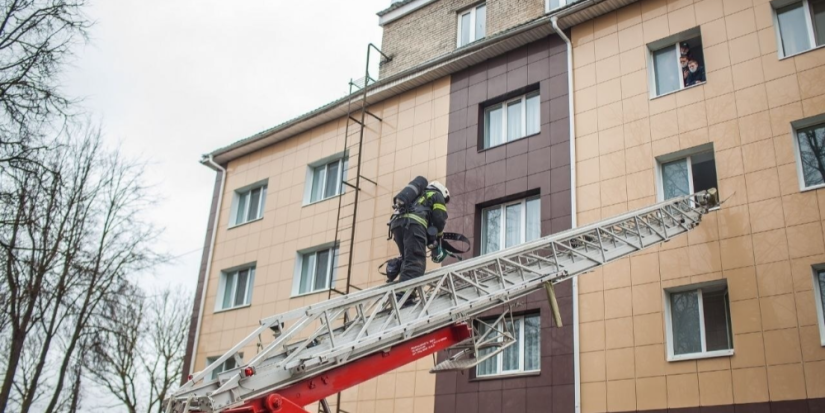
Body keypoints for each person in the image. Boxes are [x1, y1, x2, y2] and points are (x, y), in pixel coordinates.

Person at [389, 180, 449, 297]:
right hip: (413, 224)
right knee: (416, 262)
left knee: (408, 259)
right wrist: (438, 236)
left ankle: (399, 278)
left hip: (397, 225)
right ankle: (403, 296)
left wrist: (430, 239)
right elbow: (439, 219)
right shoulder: (437, 195)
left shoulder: (417, 197)